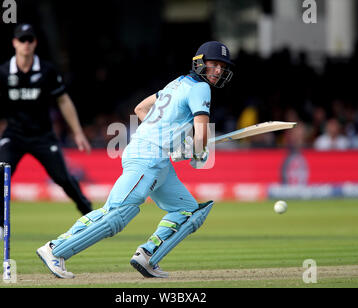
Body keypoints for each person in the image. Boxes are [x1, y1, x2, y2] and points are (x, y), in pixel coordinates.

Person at [36, 41, 234, 278]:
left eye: (222, 67)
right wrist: (196, 150)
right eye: (214, 65)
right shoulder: (201, 89)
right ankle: (55, 249)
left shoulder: (177, 84)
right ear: (200, 63)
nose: (218, 71)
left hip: (156, 158)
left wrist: (174, 142)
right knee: (118, 213)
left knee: (188, 211)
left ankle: (148, 255)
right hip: (147, 157)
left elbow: (141, 109)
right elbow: (201, 133)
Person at [0, 24, 93, 239]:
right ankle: (0, 226)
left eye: (30, 39)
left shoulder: (47, 71)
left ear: (35, 43)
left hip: (43, 135)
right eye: (22, 40)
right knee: (1, 177)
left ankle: (90, 215)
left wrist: (77, 132)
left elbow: (64, 100)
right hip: (13, 135)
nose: (26, 44)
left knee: (63, 178)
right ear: (14, 43)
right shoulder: (2, 73)